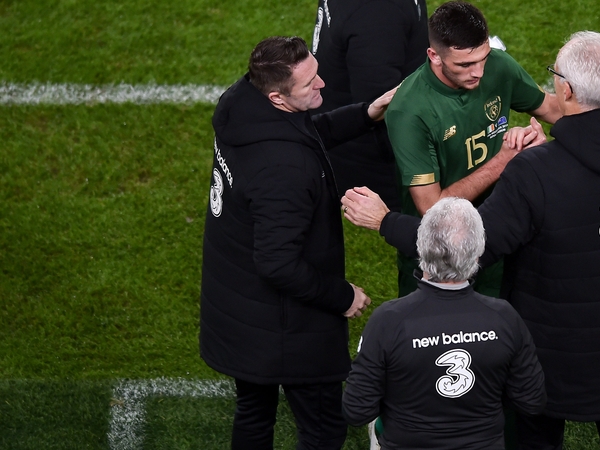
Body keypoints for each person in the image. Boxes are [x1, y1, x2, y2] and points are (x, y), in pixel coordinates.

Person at [342, 31, 600, 450]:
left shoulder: (537, 171)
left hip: (549, 360)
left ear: (566, 89)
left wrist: (386, 221)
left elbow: (465, 251)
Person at [199, 36, 395, 449]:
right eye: (310, 84)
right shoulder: (284, 171)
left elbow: (305, 132)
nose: (322, 83)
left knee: (253, 414)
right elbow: (277, 263)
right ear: (278, 97)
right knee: (323, 428)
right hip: (283, 327)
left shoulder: (242, 104)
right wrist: (342, 296)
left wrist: (366, 113)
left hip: (239, 305)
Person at [384, 1, 561, 298]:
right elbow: (432, 208)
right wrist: (504, 161)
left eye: (483, 58)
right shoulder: (409, 110)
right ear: (434, 56)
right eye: (465, 65)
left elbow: (553, 109)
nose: (478, 72)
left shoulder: (499, 67)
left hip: (501, 232)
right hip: (441, 253)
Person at [342, 197, 547, 449]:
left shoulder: (389, 320)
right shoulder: (504, 317)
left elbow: (356, 410)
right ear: (478, 252)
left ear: (420, 246)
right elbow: (532, 401)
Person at [310, 0, 428, 210]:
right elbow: (382, 103)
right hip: (375, 152)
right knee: (427, 229)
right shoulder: (378, 12)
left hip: (343, 131)